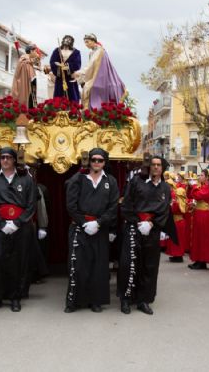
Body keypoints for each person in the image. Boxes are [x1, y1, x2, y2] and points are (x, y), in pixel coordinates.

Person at [117, 155, 175, 315]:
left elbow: (164, 211)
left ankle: (144, 300)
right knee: (129, 264)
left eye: (159, 165)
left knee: (149, 266)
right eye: (153, 164)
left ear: (162, 168)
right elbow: (126, 204)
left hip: (152, 230)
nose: (156, 167)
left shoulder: (165, 188)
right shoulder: (136, 182)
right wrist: (137, 222)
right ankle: (126, 299)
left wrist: (151, 224)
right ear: (149, 167)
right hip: (134, 228)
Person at [64, 148, 119, 313]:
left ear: (104, 162)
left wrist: (99, 223)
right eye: (94, 160)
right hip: (80, 228)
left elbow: (113, 206)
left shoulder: (111, 181)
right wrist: (83, 223)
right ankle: (74, 301)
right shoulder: (78, 179)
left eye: (100, 160)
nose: (96, 163)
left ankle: (96, 301)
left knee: (99, 266)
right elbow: (70, 205)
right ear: (89, 161)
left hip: (100, 229)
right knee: (78, 265)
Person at [0, 147, 36, 312]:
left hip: (19, 227)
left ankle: (15, 297)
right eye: (2, 157)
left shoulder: (25, 179)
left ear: (14, 160)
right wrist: (1, 224)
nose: (4, 160)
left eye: (8, 157)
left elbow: (31, 204)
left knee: (17, 262)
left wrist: (17, 223)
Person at [75, 33, 126, 110]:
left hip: (102, 77)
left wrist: (79, 73)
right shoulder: (92, 52)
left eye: (87, 42)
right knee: (86, 87)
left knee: (89, 88)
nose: (86, 44)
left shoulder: (99, 50)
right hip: (95, 76)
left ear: (93, 41)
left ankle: (95, 111)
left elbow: (91, 66)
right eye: (85, 42)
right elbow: (91, 67)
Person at [188, 169, 209, 270]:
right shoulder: (202, 186)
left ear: (207, 177)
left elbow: (198, 195)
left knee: (203, 238)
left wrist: (194, 186)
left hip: (204, 215)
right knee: (197, 237)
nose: (199, 177)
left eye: (201, 175)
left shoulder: (208, 187)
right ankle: (198, 259)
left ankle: (202, 260)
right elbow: (192, 195)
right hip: (199, 213)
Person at [49, 35, 81, 102]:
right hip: (60, 78)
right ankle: (58, 110)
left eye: (69, 40)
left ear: (71, 42)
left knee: (72, 96)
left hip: (70, 77)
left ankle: (72, 110)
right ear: (63, 40)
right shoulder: (57, 51)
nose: (67, 41)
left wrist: (68, 67)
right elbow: (52, 62)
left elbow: (77, 64)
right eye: (66, 40)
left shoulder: (76, 52)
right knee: (59, 96)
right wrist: (59, 67)